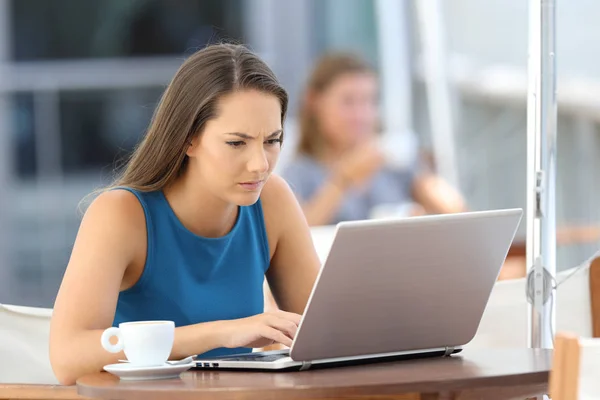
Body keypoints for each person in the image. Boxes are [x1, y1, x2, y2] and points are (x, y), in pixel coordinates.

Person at [49, 44, 320, 385]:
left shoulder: (273, 199)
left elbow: (324, 335)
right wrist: (222, 333)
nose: (260, 164)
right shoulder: (121, 214)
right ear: (188, 140)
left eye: (272, 140)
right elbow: (67, 357)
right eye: (237, 143)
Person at [282, 53, 466, 226]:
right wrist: (341, 181)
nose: (361, 114)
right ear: (314, 101)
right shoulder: (301, 172)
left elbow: (457, 212)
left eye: (369, 101)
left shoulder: (393, 162)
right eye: (348, 101)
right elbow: (299, 233)